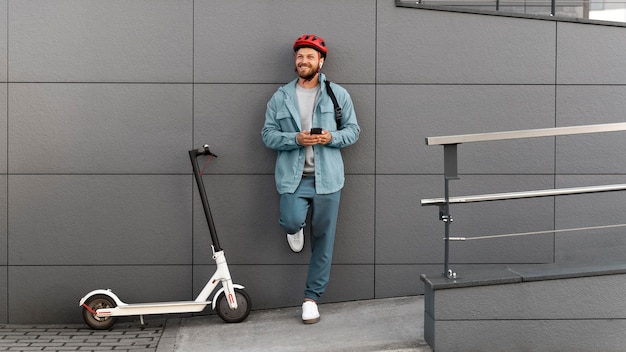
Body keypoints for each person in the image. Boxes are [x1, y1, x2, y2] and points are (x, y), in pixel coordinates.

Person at [261, 34, 360, 324]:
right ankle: (295, 228)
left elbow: (354, 131)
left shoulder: (337, 94)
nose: (303, 61)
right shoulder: (280, 97)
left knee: (324, 241)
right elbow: (267, 135)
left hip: (328, 180)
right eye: (300, 56)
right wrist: (295, 138)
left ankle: (311, 299)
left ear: (321, 61)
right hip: (293, 179)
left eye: (310, 56)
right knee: (291, 219)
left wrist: (331, 137)